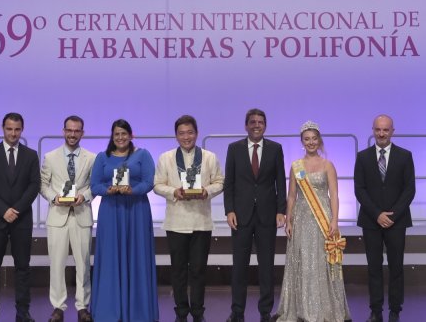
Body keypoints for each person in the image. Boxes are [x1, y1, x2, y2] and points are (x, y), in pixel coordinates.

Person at [153, 115, 225, 322]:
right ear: (176, 135)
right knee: (178, 271)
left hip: (201, 222)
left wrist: (207, 191)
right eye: (182, 133)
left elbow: (220, 182)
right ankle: (181, 312)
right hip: (176, 222)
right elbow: (157, 185)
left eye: (190, 132)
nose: (186, 137)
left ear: (197, 133)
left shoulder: (209, 157)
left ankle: (198, 312)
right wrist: (174, 192)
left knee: (199, 270)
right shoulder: (166, 158)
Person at [277, 121, 350, 322]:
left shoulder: (328, 165)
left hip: (323, 218)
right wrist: (289, 219)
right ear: (302, 141)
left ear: (319, 140)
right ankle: (301, 307)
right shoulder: (296, 166)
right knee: (303, 261)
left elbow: (334, 195)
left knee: (321, 260)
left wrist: (335, 220)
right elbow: (291, 196)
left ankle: (326, 308)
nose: (311, 142)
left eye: (314, 138)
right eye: (307, 139)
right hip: (301, 218)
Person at [90, 119, 158, 322]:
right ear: (112, 137)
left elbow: (149, 181)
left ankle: (138, 311)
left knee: (137, 255)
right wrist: (107, 190)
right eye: (116, 134)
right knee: (111, 257)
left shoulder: (143, 155)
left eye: (124, 134)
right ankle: (110, 310)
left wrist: (133, 190)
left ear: (131, 135)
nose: (120, 137)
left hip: (136, 210)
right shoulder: (102, 157)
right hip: (111, 211)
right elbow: (95, 185)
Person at [223, 109, 286, 322]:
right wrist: (229, 210)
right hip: (240, 216)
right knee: (239, 266)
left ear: (265, 125)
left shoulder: (276, 149)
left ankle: (265, 311)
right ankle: (237, 311)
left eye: (260, 122)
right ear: (246, 125)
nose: (256, 125)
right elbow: (228, 183)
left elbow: (281, 182)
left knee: (266, 266)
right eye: (252, 122)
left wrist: (281, 210)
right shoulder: (234, 149)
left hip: (267, 217)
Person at [353, 115, 416, 322]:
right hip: (371, 221)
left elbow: (409, 190)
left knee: (396, 267)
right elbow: (359, 190)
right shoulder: (362, 157)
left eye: (385, 130)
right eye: (378, 130)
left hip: (397, 222)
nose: (381, 134)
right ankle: (376, 310)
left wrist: (393, 215)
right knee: (374, 267)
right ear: (373, 130)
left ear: (392, 131)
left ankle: (395, 310)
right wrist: (377, 214)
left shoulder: (405, 156)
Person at [0, 113, 41, 322]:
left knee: (23, 267)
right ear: (3, 128)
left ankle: (22, 311)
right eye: (9, 129)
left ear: (22, 130)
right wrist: (3, 210)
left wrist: (16, 209)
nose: (13, 133)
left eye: (17, 129)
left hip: (21, 219)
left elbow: (34, 185)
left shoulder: (31, 155)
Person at [40, 116, 97, 322]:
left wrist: (86, 196)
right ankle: (58, 307)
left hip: (81, 215)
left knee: (83, 264)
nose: (72, 134)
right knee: (56, 264)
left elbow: (94, 185)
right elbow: (43, 184)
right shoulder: (50, 156)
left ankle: (83, 306)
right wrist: (54, 198)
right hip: (57, 217)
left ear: (82, 133)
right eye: (69, 130)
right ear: (63, 131)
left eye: (77, 131)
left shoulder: (91, 157)